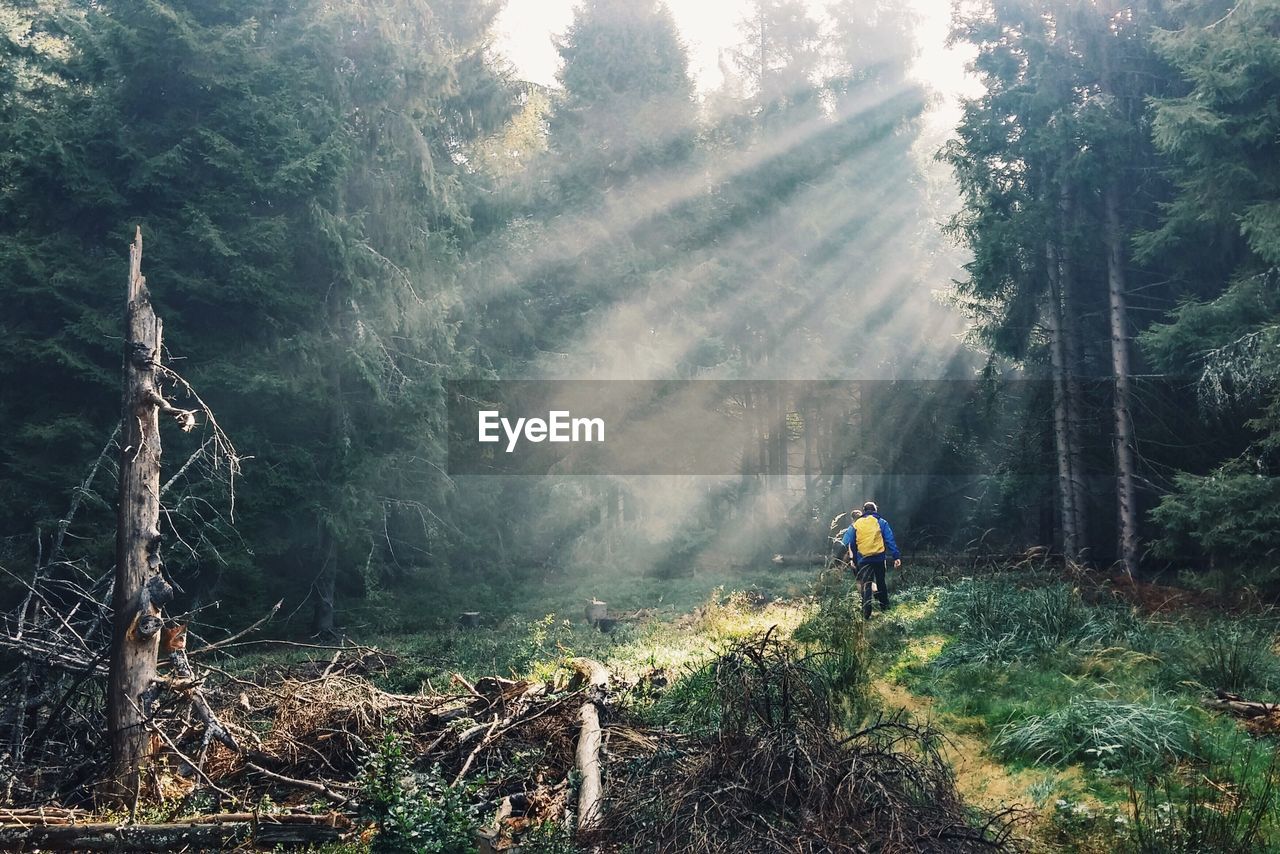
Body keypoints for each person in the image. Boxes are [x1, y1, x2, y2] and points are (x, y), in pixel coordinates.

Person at [845, 501, 901, 619]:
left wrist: (853, 559)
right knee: (881, 582)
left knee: (867, 585)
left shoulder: (856, 524)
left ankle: (866, 613)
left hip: (864, 560)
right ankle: (885, 608)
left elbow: (850, 543)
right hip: (879, 558)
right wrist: (896, 556)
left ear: (864, 511)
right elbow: (889, 539)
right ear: (875, 510)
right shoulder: (881, 522)